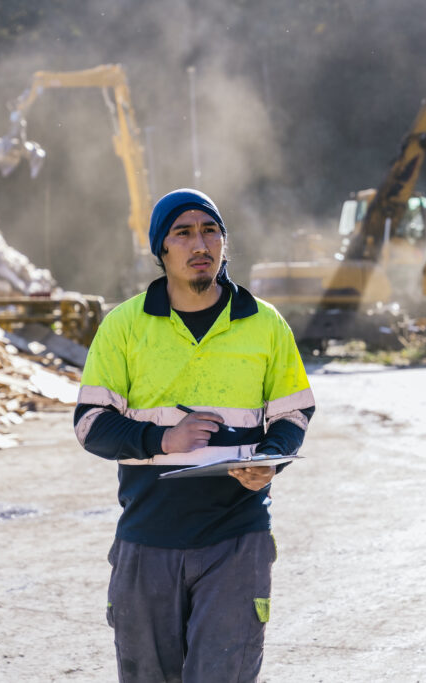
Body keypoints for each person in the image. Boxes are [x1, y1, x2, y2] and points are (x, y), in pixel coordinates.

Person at [74, 188, 315, 682]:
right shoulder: (124, 326)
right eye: (182, 233)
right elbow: (90, 424)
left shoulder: (265, 325)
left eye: (210, 231)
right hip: (147, 540)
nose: (198, 243)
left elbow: (294, 415)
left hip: (236, 537)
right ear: (161, 250)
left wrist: (270, 458)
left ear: (224, 243)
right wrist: (163, 441)